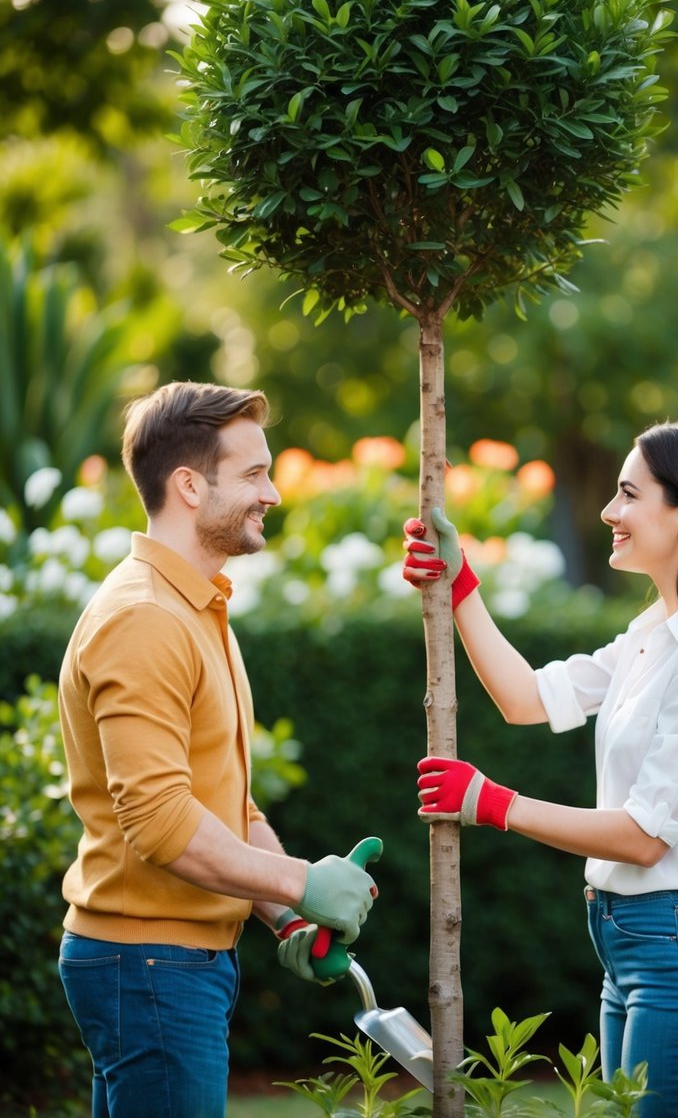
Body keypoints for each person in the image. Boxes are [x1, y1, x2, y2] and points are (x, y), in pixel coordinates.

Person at [402, 420, 678, 1118]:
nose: (607, 511)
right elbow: (527, 698)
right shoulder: (656, 631)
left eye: (627, 494)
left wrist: (494, 803)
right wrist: (458, 582)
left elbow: (645, 836)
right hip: (633, 944)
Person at [58, 381, 381, 1118]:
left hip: (172, 963)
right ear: (189, 485)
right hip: (148, 963)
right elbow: (164, 823)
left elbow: (224, 802)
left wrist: (283, 914)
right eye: (253, 474)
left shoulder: (197, 607)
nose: (271, 492)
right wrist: (301, 880)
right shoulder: (144, 619)